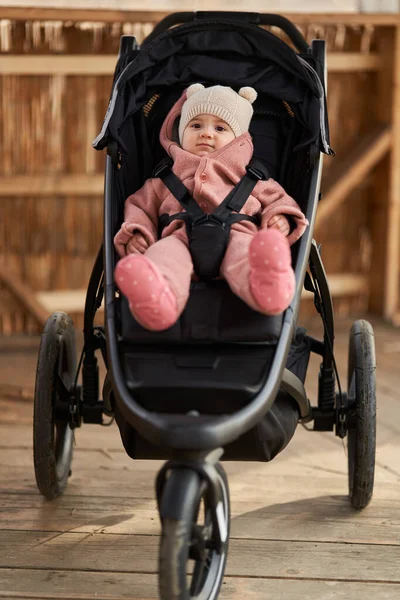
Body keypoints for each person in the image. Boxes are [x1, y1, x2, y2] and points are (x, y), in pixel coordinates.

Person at [114, 83, 308, 331]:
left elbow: (279, 199)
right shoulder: (163, 180)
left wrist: (280, 217)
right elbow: (138, 207)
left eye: (219, 128)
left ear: (238, 139)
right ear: (180, 132)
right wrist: (138, 233)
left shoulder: (252, 177)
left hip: (239, 235)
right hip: (178, 238)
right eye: (196, 125)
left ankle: (267, 284)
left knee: (248, 255)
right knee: (163, 258)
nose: (206, 133)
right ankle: (157, 300)